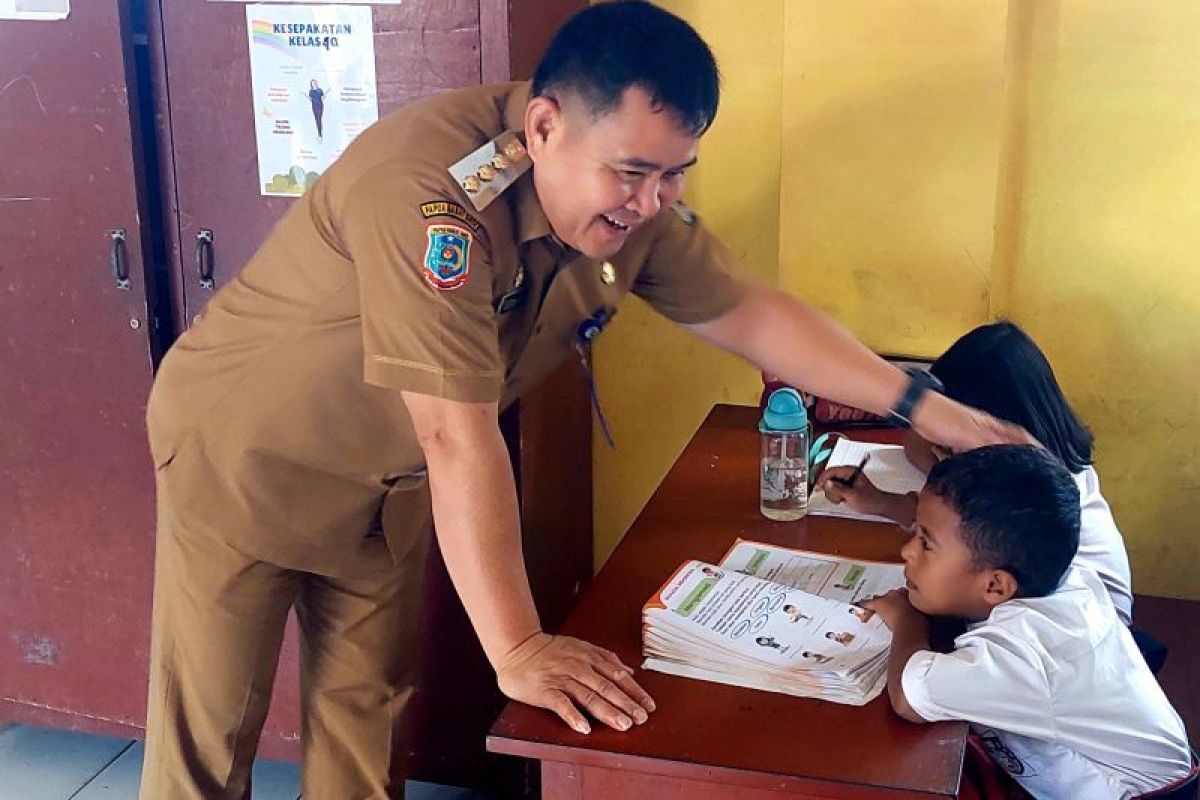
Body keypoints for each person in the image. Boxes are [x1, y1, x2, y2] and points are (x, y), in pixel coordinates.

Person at [139, 3, 1028, 797]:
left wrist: (925, 403)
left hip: (388, 483)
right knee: (211, 738)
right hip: (249, 464)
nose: (652, 203)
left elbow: (751, 313)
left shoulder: (623, 202)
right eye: (633, 172)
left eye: (676, 173)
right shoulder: (432, 199)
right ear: (544, 127)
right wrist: (519, 648)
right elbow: (458, 434)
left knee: (364, 721)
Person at [864, 446, 1190, 799]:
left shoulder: (1029, 650)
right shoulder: (1055, 579)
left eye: (926, 543)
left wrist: (904, 617)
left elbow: (910, 697)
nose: (906, 552)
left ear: (996, 585)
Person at [817, 321, 1134, 625]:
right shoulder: (1024, 464)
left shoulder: (1040, 486)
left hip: (1081, 631)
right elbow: (921, 450)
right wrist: (883, 502)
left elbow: (981, 532)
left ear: (992, 421)